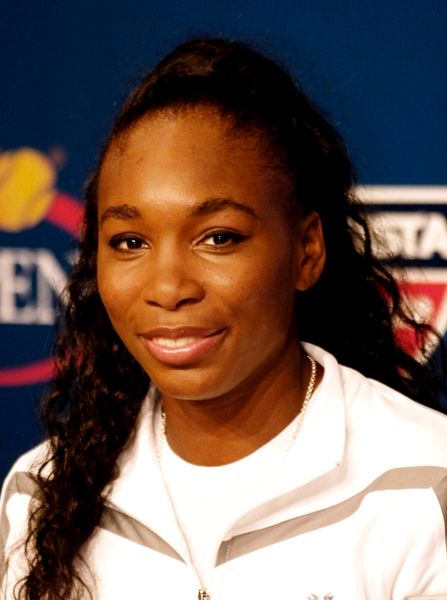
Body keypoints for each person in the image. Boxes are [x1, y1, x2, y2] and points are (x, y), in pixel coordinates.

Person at [1, 37, 447, 600]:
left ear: (306, 250)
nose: (168, 288)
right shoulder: (41, 493)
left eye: (219, 238)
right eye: (130, 241)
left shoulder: (427, 485)